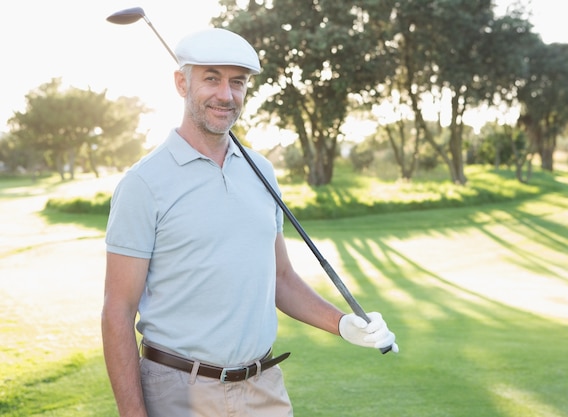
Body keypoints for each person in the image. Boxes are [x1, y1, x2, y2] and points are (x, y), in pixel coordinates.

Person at [101, 27, 398, 417]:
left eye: (237, 83)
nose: (226, 95)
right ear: (180, 83)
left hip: (264, 389)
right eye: (211, 79)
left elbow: (283, 279)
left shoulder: (261, 171)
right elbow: (118, 311)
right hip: (178, 391)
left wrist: (343, 325)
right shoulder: (144, 183)